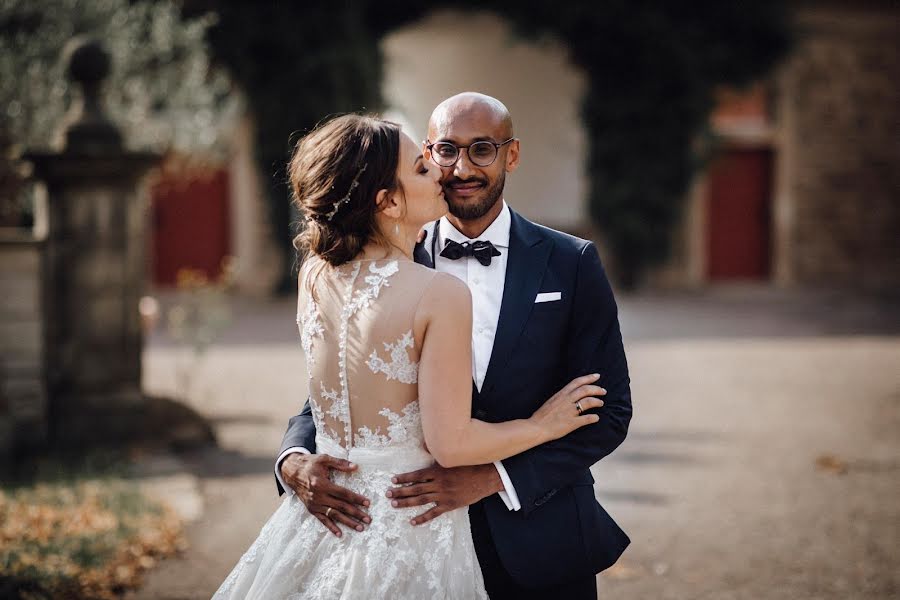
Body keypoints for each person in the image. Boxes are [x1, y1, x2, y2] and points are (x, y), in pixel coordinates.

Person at [213, 113, 608, 599]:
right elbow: (337, 395)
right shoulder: (433, 290)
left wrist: (493, 479)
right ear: (388, 200)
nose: (450, 171)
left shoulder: (315, 273)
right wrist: (292, 459)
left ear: (512, 153)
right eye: (432, 160)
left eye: (481, 149)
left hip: (532, 538)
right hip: (409, 534)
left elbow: (607, 410)